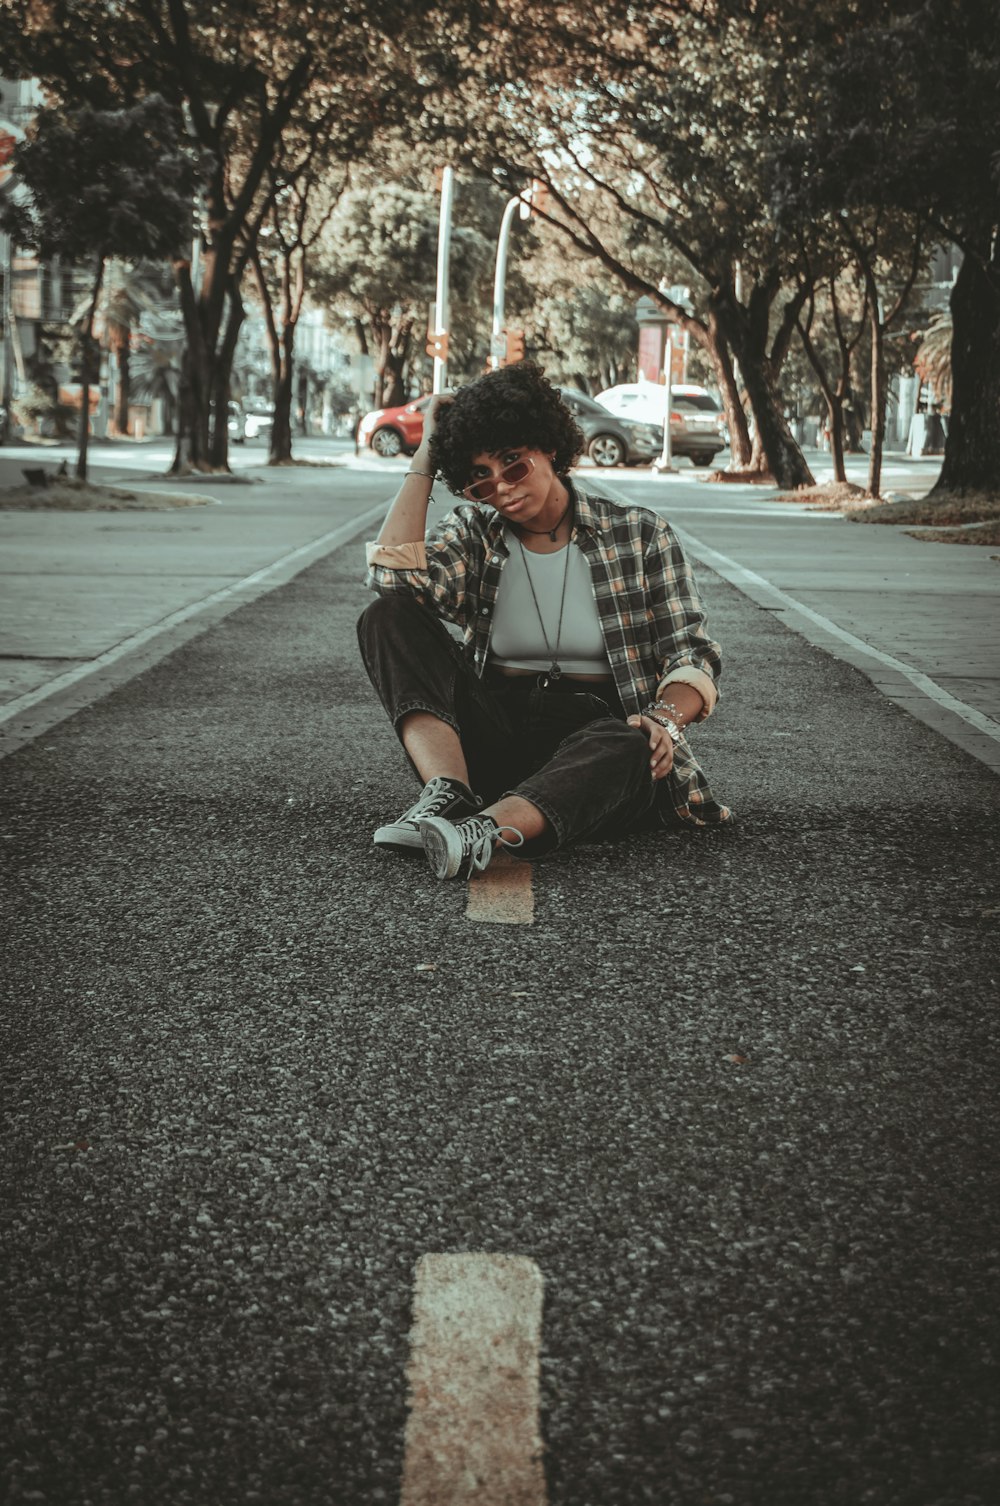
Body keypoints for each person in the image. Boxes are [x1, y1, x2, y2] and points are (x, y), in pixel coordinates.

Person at [357, 362, 731, 881]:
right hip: (494, 727)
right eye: (480, 480)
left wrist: (663, 721)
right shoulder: (475, 533)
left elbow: (693, 653)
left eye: (513, 464)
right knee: (386, 615)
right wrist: (425, 455)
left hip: (593, 737)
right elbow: (394, 583)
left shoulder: (640, 534)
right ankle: (448, 797)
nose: (502, 489)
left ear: (548, 447)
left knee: (631, 743)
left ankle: (480, 832)